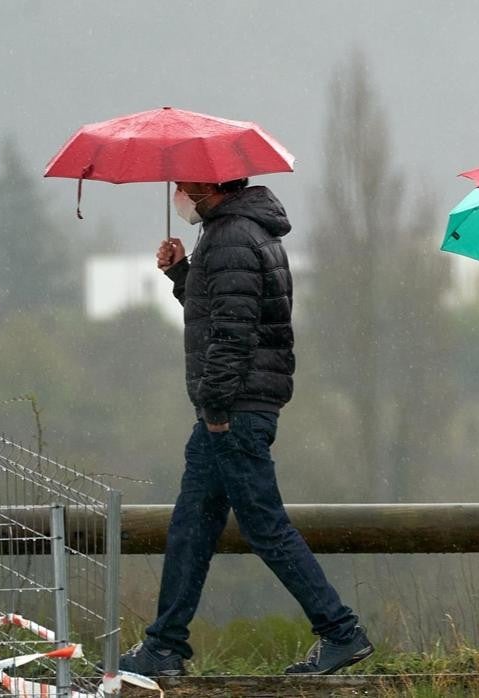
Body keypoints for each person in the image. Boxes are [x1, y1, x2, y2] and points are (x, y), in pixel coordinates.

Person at [114, 179, 372, 677]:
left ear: (211, 185)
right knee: (193, 525)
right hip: (235, 407)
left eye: (186, 184)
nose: (180, 193)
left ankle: (340, 631)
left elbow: (233, 332)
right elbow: (218, 313)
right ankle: (164, 644)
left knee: (265, 527)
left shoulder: (232, 235)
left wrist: (214, 406)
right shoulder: (237, 231)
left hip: (232, 411)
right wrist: (181, 273)